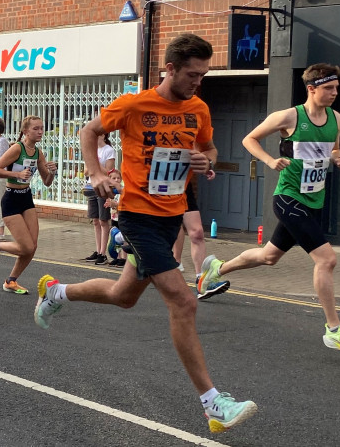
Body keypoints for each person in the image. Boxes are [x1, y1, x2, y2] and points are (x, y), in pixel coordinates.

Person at [33, 34, 256, 434]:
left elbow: (211, 150)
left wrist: (206, 161)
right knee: (184, 301)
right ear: (169, 69)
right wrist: (97, 173)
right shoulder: (135, 104)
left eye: (203, 74)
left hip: (171, 215)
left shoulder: (198, 108)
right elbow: (89, 131)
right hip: (136, 215)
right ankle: (213, 403)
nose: (197, 82)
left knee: (124, 297)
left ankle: (56, 292)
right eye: (192, 74)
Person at [197, 63, 340, 354]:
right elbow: (248, 139)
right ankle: (334, 330)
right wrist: (269, 161)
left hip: (314, 199)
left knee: (268, 256)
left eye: (336, 88)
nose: (335, 93)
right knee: (326, 260)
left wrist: (337, 159)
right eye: (329, 88)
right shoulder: (289, 116)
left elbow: (333, 149)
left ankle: (215, 269)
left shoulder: (336, 119)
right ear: (312, 88)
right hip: (288, 197)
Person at [0, 115, 58, 295]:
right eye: (36, 128)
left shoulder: (38, 152)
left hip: (26, 198)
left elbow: (47, 181)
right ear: (25, 131)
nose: (40, 131)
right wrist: (17, 175)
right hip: (11, 198)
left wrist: (52, 172)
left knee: (32, 247)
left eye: (42, 128)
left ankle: (11, 281)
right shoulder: (17, 149)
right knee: (25, 246)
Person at [172, 180, 212, 291]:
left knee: (197, 233)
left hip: (181, 185)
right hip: (156, 187)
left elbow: (209, 161)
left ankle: (202, 281)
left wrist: (209, 164)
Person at [84, 136, 116, 264]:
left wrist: (95, 164)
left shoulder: (108, 150)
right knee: (95, 220)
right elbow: (86, 171)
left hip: (103, 187)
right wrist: (92, 165)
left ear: (102, 135)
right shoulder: (91, 149)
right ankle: (97, 251)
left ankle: (103, 253)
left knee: (103, 220)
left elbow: (109, 171)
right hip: (91, 186)